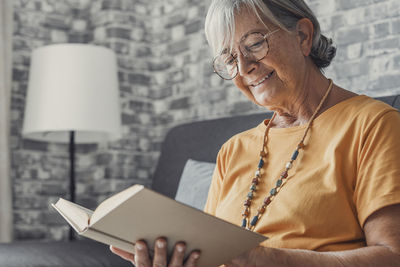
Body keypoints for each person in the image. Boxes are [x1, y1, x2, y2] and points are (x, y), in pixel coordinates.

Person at [111, 0, 400, 266]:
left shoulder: (374, 124)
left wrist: (270, 260)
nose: (244, 67)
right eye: (229, 59)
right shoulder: (233, 150)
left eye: (255, 44)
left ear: (302, 36)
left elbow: (392, 255)